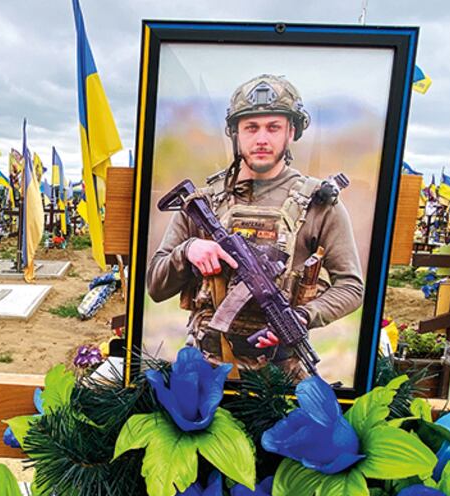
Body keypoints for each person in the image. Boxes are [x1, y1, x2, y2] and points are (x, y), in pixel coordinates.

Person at [146, 74, 364, 379]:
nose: (262, 139)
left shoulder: (320, 204)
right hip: (203, 367)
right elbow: (156, 286)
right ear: (235, 132)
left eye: (273, 127)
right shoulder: (202, 202)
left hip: (280, 375)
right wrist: (188, 251)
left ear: (291, 132)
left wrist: (303, 317)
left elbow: (352, 287)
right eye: (251, 127)